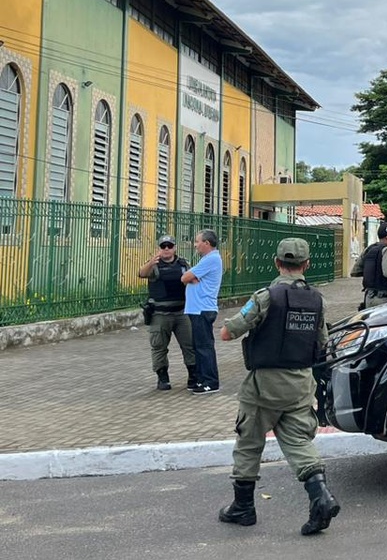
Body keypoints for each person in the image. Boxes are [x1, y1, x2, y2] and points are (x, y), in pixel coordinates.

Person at [216, 237, 339, 537]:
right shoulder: (317, 299)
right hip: (300, 384)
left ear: (276, 263)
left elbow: (227, 333)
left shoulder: (265, 296)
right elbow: (323, 343)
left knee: (249, 442)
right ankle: (321, 497)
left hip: (264, 386)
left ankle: (243, 508)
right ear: (307, 265)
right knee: (298, 442)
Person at [136, 235, 196, 391]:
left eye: (170, 246)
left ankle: (193, 375)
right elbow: (141, 273)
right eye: (164, 246)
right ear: (160, 248)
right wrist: (151, 262)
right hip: (160, 314)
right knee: (159, 347)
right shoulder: (154, 265)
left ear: (175, 247)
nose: (167, 249)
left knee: (189, 345)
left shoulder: (183, 264)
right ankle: (163, 377)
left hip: (181, 312)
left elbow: (193, 279)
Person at [182, 228, 224, 394]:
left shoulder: (211, 259)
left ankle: (210, 381)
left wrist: (191, 277)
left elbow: (184, 278)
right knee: (198, 346)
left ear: (207, 243)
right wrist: (192, 277)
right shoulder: (207, 259)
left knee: (204, 346)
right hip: (196, 309)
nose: (195, 245)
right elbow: (189, 278)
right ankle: (200, 379)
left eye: (197, 241)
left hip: (203, 308)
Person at [353, 223, 387, 307]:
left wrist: (373, 273)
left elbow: (355, 271)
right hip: (385, 299)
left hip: (369, 298)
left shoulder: (369, 249)